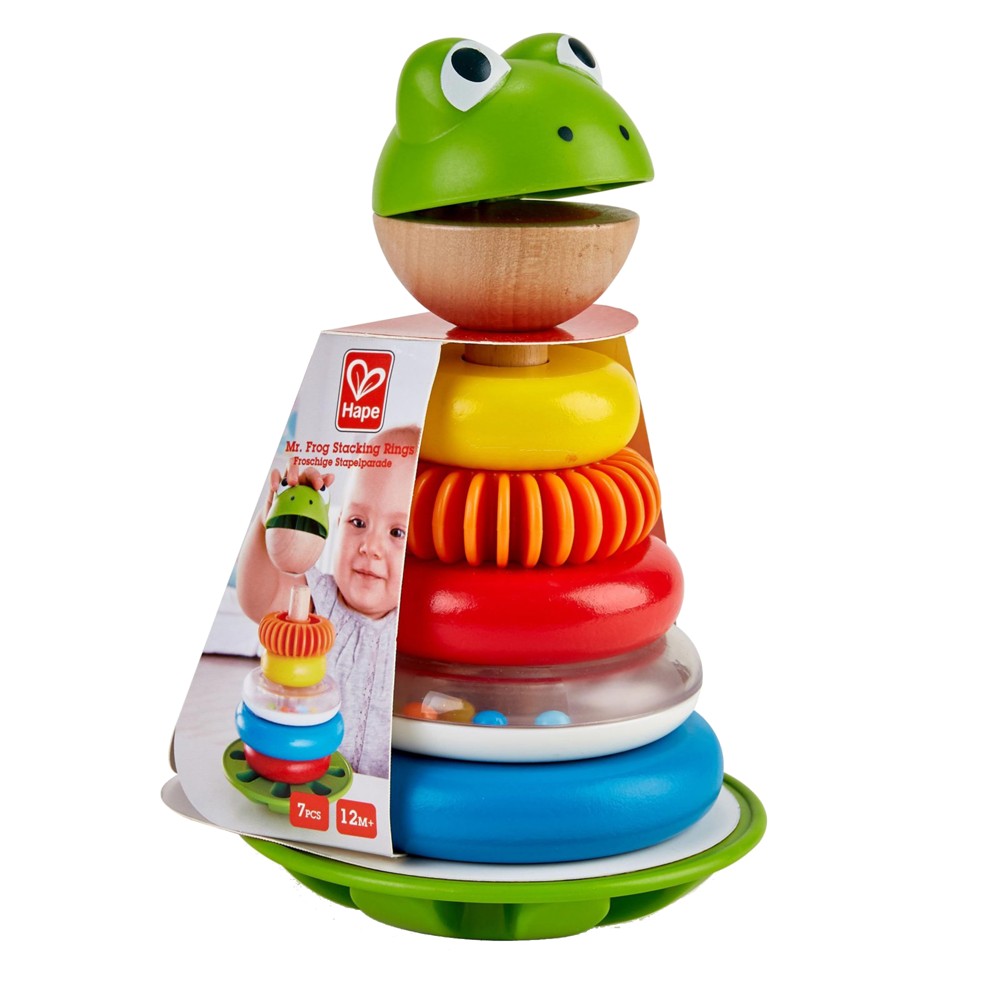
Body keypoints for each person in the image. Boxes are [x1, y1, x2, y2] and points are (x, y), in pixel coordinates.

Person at [237, 425, 419, 778]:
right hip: (307, 777)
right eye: (358, 522)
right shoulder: (317, 601)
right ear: (337, 521)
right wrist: (272, 526)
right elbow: (258, 598)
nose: (370, 546)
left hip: (385, 791)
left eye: (397, 532)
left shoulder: (419, 623)